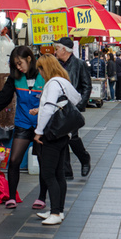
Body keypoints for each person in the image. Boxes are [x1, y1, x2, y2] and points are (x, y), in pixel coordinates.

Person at [0, 46, 45, 209]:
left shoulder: (44, 75)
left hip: (42, 126)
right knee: (14, 160)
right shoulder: (15, 78)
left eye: (20, 63)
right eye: (15, 65)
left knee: (43, 162)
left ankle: (42, 197)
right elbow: (3, 98)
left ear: (29, 59)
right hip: (23, 124)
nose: (18, 67)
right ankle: (11, 197)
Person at [33, 54, 81, 225]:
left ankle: (54, 213)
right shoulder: (64, 81)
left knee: (48, 173)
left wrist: (38, 132)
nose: (39, 72)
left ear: (45, 68)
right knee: (59, 173)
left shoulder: (52, 84)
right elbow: (77, 99)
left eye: (40, 68)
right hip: (63, 133)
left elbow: (48, 109)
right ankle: (58, 211)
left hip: (51, 134)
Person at [53, 37, 91, 179]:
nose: (55, 51)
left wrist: (80, 105)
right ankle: (66, 171)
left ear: (64, 50)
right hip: (57, 106)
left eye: (57, 48)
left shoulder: (80, 64)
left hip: (72, 107)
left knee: (72, 137)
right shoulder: (55, 65)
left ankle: (84, 158)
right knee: (62, 137)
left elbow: (87, 86)